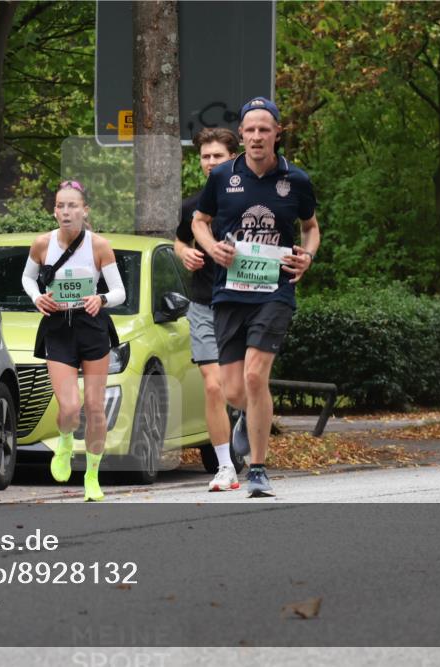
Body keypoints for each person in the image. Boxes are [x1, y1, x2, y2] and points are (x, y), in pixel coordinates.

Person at [191, 97, 320, 497]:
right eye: (250, 129)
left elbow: (311, 227)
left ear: (277, 133)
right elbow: (199, 221)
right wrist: (212, 249)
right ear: (242, 134)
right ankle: (253, 414)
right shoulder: (222, 177)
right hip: (229, 293)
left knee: (254, 376)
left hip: (274, 291)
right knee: (233, 391)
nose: (257, 136)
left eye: (265, 129)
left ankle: (259, 470)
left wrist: (308, 257)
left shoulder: (295, 180)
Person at [21, 181, 126, 501]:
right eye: (60, 206)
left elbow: (119, 292)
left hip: (92, 327)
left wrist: (102, 300)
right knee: (70, 407)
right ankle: (65, 440)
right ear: (54, 210)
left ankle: (92, 476)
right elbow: (27, 277)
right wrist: (38, 297)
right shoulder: (42, 244)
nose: (65, 212)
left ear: (84, 210)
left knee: (95, 408)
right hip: (58, 328)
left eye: (72, 206)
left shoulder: (99, 246)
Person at [175, 127, 242, 492]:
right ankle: (225, 466)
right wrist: (183, 253)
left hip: (245, 305)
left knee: (241, 388)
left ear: (233, 157)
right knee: (213, 388)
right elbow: (179, 240)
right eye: (205, 156)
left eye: (217, 155)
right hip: (203, 305)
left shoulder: (251, 201)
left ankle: (251, 419)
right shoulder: (192, 206)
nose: (211, 162)